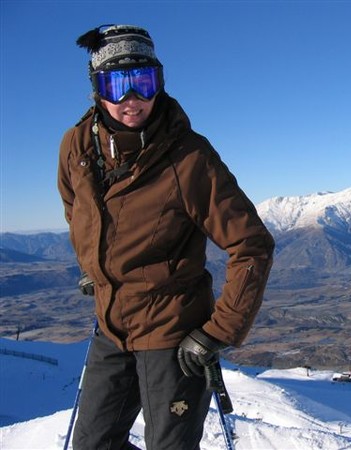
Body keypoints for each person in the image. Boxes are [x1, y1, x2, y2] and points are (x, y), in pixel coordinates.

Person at [57, 24, 275, 450]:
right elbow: (76, 210)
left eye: (143, 82)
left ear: (160, 82)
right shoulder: (76, 148)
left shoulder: (188, 156)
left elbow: (252, 244)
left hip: (173, 335)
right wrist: (93, 267)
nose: (131, 99)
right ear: (96, 90)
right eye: (116, 84)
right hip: (111, 327)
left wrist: (217, 332)